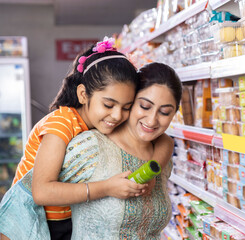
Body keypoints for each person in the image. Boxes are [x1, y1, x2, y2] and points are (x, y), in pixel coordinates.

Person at [0, 38, 173, 240]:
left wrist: (152, 172)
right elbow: (41, 191)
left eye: (126, 107)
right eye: (109, 105)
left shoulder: (104, 123)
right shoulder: (61, 124)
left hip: (66, 219)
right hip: (33, 223)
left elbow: (165, 141)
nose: (117, 115)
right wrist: (107, 188)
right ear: (83, 94)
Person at [64, 62, 182, 239]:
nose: (151, 121)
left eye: (164, 112)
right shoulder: (90, 146)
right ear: (130, 101)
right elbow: (28, 197)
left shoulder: (161, 160)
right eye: (144, 106)